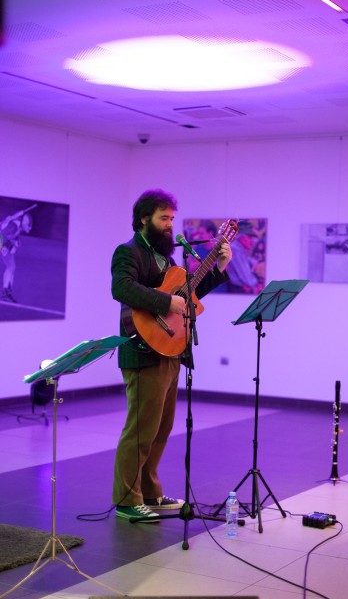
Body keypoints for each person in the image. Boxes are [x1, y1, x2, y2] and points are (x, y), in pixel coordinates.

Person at [111, 189, 232, 522]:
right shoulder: (128, 252)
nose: (169, 225)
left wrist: (220, 267)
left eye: (171, 219)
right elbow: (121, 288)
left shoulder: (167, 259)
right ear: (143, 219)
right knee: (141, 429)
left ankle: (150, 492)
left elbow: (188, 294)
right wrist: (166, 302)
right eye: (163, 218)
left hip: (170, 349)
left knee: (161, 429)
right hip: (142, 350)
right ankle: (126, 499)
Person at [1, 211, 33, 303]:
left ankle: (7, 292)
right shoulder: (14, 225)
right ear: (25, 223)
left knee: (12, 266)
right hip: (1, 239)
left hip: (3, 240)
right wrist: (9, 245)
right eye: (28, 227)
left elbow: (12, 236)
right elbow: (5, 235)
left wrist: (15, 242)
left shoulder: (18, 226)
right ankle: (5, 292)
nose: (28, 230)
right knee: (10, 266)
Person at [227, 220, 262, 294]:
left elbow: (247, 261)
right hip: (236, 290)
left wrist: (255, 262)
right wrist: (257, 285)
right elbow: (248, 279)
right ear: (241, 237)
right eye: (250, 237)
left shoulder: (237, 248)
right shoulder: (237, 251)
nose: (252, 241)